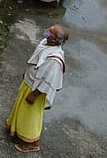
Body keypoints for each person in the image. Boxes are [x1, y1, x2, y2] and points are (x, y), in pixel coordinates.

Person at [6, 25, 69, 153]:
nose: (45, 34)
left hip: (36, 91)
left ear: (55, 41)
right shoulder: (46, 43)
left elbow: (49, 81)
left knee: (31, 116)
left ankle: (31, 143)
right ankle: (16, 130)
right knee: (22, 110)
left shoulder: (55, 60)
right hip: (29, 84)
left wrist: (35, 94)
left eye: (49, 34)